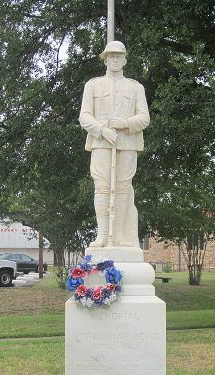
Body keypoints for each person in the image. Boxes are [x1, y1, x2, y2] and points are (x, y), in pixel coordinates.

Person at [79, 41, 150, 248]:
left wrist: (125, 124)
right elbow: (84, 116)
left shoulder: (136, 87)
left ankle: (118, 236)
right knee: (101, 187)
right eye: (111, 56)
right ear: (105, 59)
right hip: (101, 144)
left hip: (127, 143)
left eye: (119, 56)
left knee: (122, 188)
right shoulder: (93, 85)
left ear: (125, 59)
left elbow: (144, 118)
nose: (115, 59)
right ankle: (102, 235)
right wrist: (102, 130)